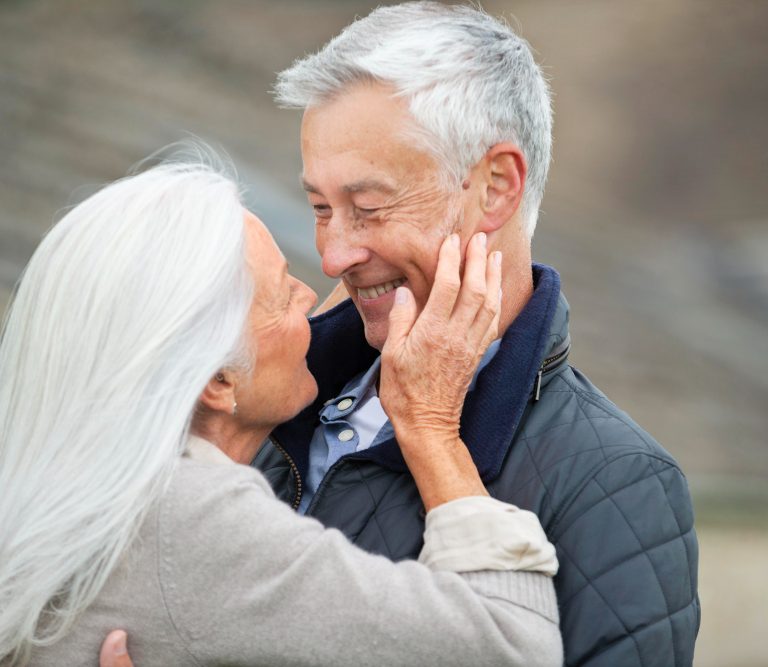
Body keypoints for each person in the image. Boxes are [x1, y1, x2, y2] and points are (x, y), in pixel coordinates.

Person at [246, 3, 699, 666]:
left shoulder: (618, 484)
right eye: (321, 208)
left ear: (495, 188)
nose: (334, 254)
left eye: (369, 208)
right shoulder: (263, 398)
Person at [0, 156, 564, 665]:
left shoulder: (60, 476)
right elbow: (512, 646)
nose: (313, 289)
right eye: (278, 294)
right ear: (219, 381)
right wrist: (432, 426)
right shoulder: (196, 520)